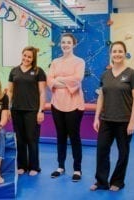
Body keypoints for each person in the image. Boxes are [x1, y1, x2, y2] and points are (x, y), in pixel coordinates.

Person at [90, 41, 134, 191]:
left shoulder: (132, 74)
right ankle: (101, 181)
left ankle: (118, 181)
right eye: (114, 51)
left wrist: (132, 122)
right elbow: (101, 97)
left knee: (123, 153)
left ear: (125, 53)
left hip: (124, 121)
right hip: (106, 120)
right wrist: (96, 117)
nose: (117, 54)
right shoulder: (105, 75)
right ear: (110, 54)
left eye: (120, 51)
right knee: (101, 151)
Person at [47, 33, 85, 182]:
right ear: (60, 44)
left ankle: (77, 169)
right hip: (57, 104)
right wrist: (58, 81)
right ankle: (60, 167)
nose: (65, 45)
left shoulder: (79, 62)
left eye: (68, 42)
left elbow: (78, 79)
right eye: (63, 42)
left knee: (74, 137)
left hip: (74, 104)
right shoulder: (55, 62)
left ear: (73, 44)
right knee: (60, 136)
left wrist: (59, 79)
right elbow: (50, 80)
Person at [8, 46, 46, 176]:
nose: (26, 58)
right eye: (25, 55)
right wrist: (7, 108)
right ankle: (22, 166)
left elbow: (42, 92)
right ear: (22, 55)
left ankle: (34, 167)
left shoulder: (38, 71)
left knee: (32, 138)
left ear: (33, 58)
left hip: (32, 111)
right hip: (16, 110)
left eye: (29, 57)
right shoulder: (14, 71)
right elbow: (10, 91)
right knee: (20, 139)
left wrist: (41, 110)